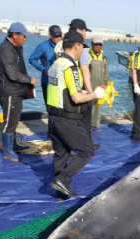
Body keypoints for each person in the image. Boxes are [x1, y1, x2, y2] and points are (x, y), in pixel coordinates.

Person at [46, 30, 105, 199]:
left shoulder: (55, 65)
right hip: (67, 119)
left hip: (53, 117)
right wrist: (96, 95)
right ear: (77, 46)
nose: (83, 52)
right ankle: (63, 179)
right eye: (83, 48)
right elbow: (76, 97)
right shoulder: (70, 68)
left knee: (61, 154)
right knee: (86, 152)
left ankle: (60, 193)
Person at [0, 22, 37, 162]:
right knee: (10, 121)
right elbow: (12, 73)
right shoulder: (7, 49)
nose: (25, 39)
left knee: (14, 119)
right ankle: (8, 150)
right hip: (9, 92)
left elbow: (19, 68)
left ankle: (13, 144)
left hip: (16, 91)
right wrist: (29, 79)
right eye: (23, 36)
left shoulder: (16, 47)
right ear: (14, 35)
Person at [29, 25, 63, 105]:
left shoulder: (64, 46)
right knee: (50, 107)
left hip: (61, 82)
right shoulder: (43, 46)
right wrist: (43, 69)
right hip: (47, 82)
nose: (59, 38)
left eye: (60, 36)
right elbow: (32, 59)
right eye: (56, 36)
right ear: (50, 35)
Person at [89, 36, 109, 132]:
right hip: (90, 83)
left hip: (100, 84)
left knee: (98, 104)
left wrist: (107, 83)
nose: (97, 46)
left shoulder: (104, 57)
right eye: (96, 44)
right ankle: (87, 125)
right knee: (90, 104)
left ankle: (95, 125)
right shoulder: (87, 55)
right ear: (92, 44)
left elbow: (106, 72)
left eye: (100, 44)